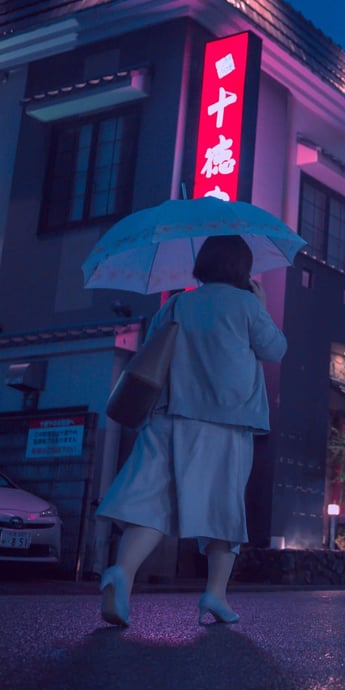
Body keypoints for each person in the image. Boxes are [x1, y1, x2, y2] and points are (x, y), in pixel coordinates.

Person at [96, 235, 288, 627]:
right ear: (242, 268)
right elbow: (275, 350)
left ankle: (123, 572)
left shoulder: (178, 303)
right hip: (227, 423)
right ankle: (214, 594)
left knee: (152, 503)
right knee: (223, 507)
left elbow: (152, 352)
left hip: (170, 416)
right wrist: (262, 307)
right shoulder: (247, 305)